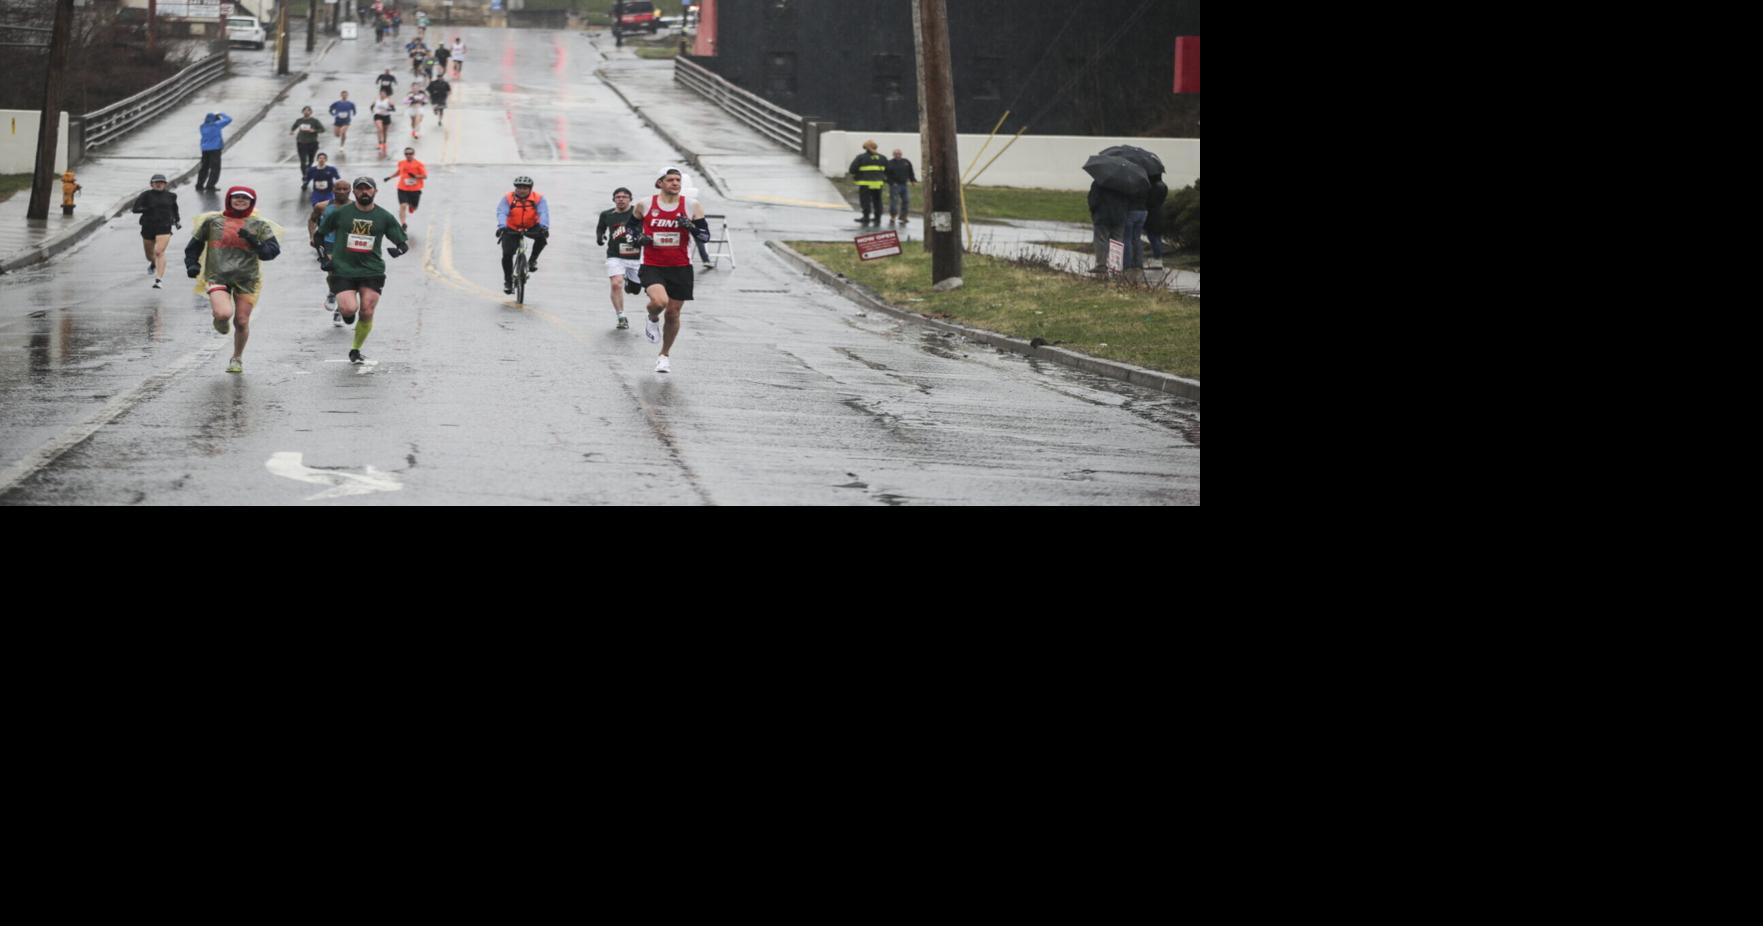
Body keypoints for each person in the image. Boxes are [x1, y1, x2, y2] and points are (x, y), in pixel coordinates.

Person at [182, 186, 282, 374]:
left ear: (252, 202)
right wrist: (191, 264)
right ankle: (220, 320)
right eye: (236, 198)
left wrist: (255, 241)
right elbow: (193, 246)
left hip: (247, 278)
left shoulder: (259, 225)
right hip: (218, 275)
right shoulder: (213, 221)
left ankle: (237, 358)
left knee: (242, 321)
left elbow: (271, 253)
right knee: (223, 313)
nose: (240, 201)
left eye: (245, 199)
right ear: (229, 199)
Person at [313, 177, 409, 365]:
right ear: (354, 192)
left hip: (372, 270)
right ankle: (348, 316)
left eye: (368, 189)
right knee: (349, 309)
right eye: (360, 189)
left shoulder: (384, 216)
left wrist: (398, 250)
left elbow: (402, 243)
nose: (364, 192)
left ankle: (355, 349)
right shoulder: (341, 213)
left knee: (366, 310)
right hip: (343, 269)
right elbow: (319, 235)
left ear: (375, 192)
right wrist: (324, 257)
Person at [629, 166, 711, 373]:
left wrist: (690, 226)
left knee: (673, 313)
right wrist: (638, 238)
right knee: (659, 302)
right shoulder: (645, 204)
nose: (675, 183)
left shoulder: (692, 205)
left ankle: (664, 355)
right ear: (660, 183)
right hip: (652, 264)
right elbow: (630, 229)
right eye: (670, 180)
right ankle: (652, 317)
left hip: (681, 266)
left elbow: (705, 236)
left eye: (678, 180)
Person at [596, 186, 641, 330]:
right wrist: (600, 237)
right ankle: (621, 316)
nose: (621, 199)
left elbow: (650, 227)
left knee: (635, 290)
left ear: (630, 199)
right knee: (616, 284)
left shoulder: (638, 213)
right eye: (618, 197)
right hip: (615, 256)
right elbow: (600, 227)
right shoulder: (607, 214)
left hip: (636, 256)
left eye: (624, 197)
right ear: (614, 199)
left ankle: (630, 282)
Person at [495, 175, 549, 295]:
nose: (521, 190)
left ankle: (532, 261)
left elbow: (543, 212)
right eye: (519, 188)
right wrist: (502, 227)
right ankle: (508, 282)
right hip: (512, 227)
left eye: (525, 188)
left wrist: (544, 227)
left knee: (542, 238)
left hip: (531, 226)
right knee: (507, 254)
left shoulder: (538, 198)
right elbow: (502, 212)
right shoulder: (508, 198)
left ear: (530, 189)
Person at [131, 173, 180, 289]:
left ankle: (159, 280)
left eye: (161, 182)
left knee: (159, 252)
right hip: (148, 226)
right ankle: (153, 263)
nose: (159, 184)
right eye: (156, 182)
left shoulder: (171, 196)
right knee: (149, 255)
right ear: (151, 184)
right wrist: (147, 209)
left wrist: (177, 221)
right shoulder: (145, 195)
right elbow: (135, 209)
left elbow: (174, 209)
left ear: (165, 184)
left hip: (164, 226)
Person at [1087, 179, 1134, 275]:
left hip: (1102, 216)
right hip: (1120, 217)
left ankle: (1101, 265)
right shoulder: (1124, 184)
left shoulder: (1099, 182)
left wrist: (1094, 212)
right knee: (1117, 241)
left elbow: (1093, 200)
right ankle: (1115, 266)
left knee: (1101, 240)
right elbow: (1129, 201)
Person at [385, 145, 426, 230]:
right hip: (402, 188)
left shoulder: (419, 164)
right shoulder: (401, 163)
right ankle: (403, 223)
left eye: (410, 153)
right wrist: (390, 177)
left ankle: (412, 207)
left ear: (413, 154)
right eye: (406, 154)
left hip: (415, 189)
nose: (408, 155)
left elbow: (424, 176)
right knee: (403, 206)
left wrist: (415, 176)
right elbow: (399, 172)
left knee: (414, 207)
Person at [304, 151, 343, 242]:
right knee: (317, 210)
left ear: (326, 160)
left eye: (323, 158)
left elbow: (337, 178)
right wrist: (305, 184)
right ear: (317, 159)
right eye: (320, 158)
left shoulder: (331, 169)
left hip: (328, 193)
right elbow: (308, 178)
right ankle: (318, 224)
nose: (321, 160)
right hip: (317, 193)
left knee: (330, 208)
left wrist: (338, 187)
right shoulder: (312, 170)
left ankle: (329, 225)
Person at [848, 139, 887, 226]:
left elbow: (852, 170)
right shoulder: (882, 158)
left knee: (865, 201)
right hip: (878, 183)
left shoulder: (861, 157)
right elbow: (887, 171)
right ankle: (877, 218)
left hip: (865, 183)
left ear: (865, 148)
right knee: (877, 201)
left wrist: (858, 174)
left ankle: (866, 217)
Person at [195, 112, 232, 192]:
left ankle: (199, 185)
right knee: (215, 168)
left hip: (205, 149)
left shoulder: (202, 126)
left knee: (204, 167)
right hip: (215, 149)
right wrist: (221, 114)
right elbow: (229, 119)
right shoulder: (216, 125)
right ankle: (210, 185)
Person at [1142, 173, 1169, 271]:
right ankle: (1158, 258)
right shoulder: (1163, 186)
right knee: (1157, 237)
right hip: (1160, 212)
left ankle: (1157, 259)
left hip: (1153, 215)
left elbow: (1149, 201)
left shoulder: (1153, 187)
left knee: (1153, 237)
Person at [291, 106, 325, 185]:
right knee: (303, 161)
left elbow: (322, 129)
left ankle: (308, 171)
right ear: (302, 112)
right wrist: (292, 131)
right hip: (301, 142)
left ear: (311, 112)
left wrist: (314, 130)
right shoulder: (299, 120)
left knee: (311, 160)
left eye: (308, 111)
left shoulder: (314, 121)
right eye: (305, 111)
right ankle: (305, 176)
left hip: (312, 143)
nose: (306, 112)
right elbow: (294, 126)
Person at [885, 147, 917, 225]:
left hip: (904, 185)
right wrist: (891, 183)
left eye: (899, 154)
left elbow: (911, 172)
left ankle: (903, 216)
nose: (897, 155)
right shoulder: (889, 163)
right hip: (895, 185)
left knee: (906, 201)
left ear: (901, 154)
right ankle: (893, 216)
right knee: (894, 201)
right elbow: (886, 175)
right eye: (896, 154)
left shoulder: (906, 162)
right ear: (893, 155)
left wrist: (913, 180)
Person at [371, 90, 397, 156]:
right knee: (380, 129)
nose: (382, 95)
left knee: (385, 131)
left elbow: (394, 109)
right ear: (379, 94)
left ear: (386, 95)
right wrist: (373, 110)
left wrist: (388, 109)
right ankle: (380, 143)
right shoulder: (376, 100)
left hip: (386, 116)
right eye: (381, 94)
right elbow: (371, 106)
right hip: (378, 116)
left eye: (383, 94)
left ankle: (384, 143)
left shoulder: (389, 101)